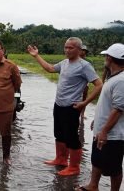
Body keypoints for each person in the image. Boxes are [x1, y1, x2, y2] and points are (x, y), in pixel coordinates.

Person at [27, 37, 103, 176]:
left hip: (71, 107)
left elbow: (99, 84)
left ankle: (74, 167)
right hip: (59, 104)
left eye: (71, 48)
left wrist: (85, 103)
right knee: (59, 133)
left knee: (72, 137)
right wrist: (36, 56)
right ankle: (61, 159)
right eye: (66, 47)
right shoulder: (65, 63)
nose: (67, 50)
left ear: (79, 50)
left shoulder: (84, 65)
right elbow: (50, 69)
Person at [74, 43, 124, 191]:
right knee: (97, 160)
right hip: (104, 130)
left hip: (113, 135)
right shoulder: (114, 77)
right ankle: (93, 186)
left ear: (110, 58)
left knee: (114, 167)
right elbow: (108, 105)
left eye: (106, 56)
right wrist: (98, 122)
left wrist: (104, 131)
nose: (105, 58)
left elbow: (118, 109)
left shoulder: (121, 80)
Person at [80, 44, 90, 119]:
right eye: (81, 50)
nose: (83, 52)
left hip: (86, 83)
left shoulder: (89, 61)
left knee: (84, 98)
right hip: (77, 83)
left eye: (84, 51)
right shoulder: (75, 60)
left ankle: (82, 113)